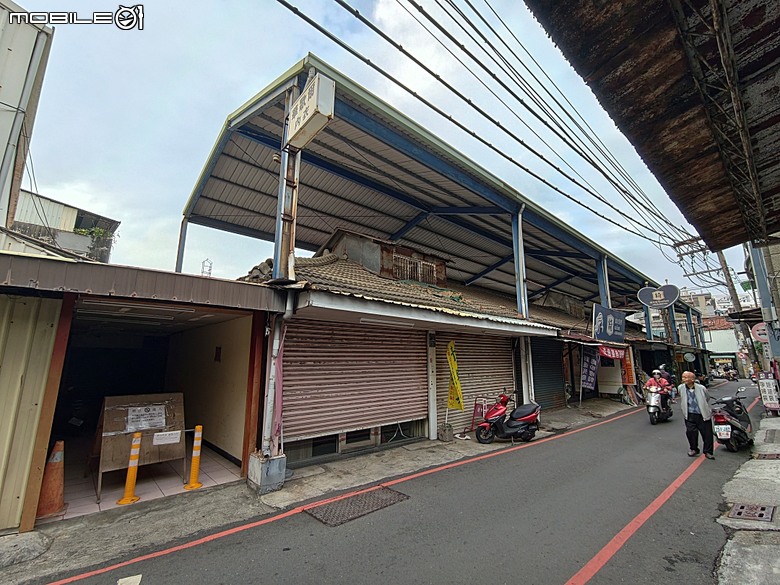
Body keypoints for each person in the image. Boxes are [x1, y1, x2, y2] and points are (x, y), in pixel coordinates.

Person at [678, 370, 714, 459]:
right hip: (689, 414)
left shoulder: (701, 388)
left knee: (707, 434)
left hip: (702, 414)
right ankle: (694, 449)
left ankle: (708, 451)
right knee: (690, 432)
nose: (684, 379)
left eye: (686, 377)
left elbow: (707, 397)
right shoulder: (681, 388)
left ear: (693, 379)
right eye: (683, 377)